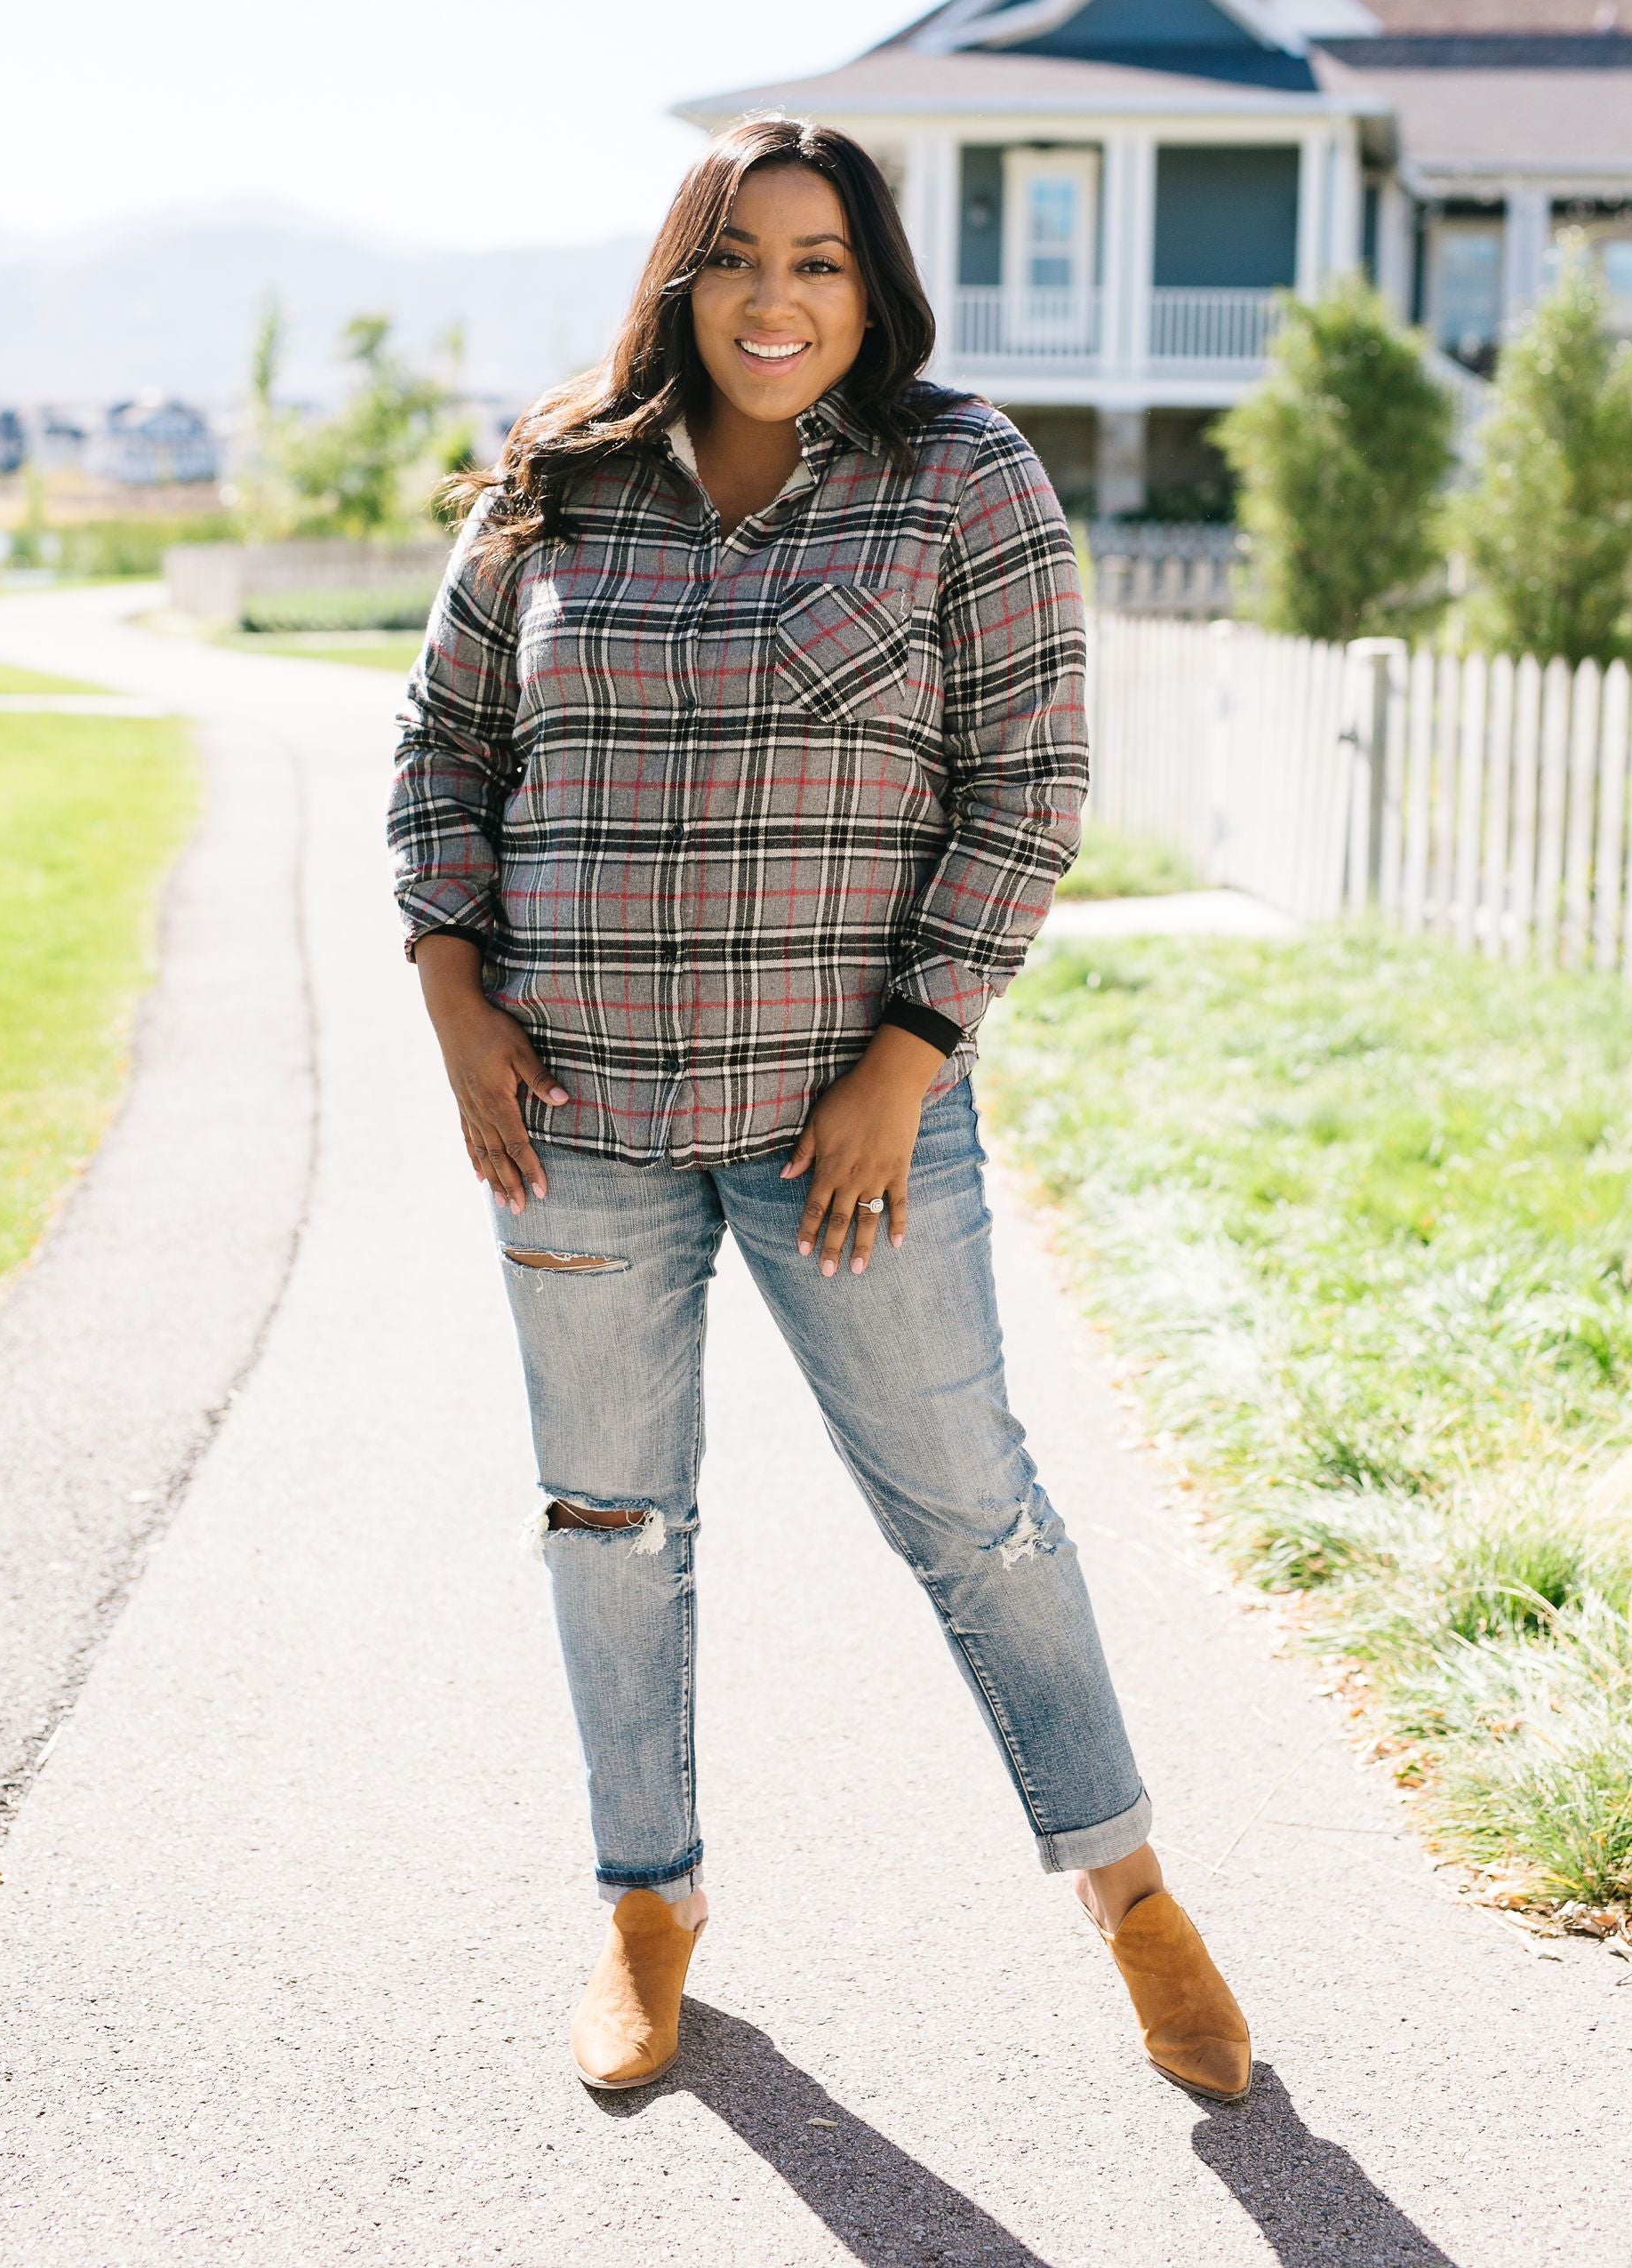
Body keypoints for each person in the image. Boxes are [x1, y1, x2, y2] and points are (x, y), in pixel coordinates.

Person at [388, 115, 1250, 2103]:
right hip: (574, 1113)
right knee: (611, 1523)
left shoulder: (963, 478)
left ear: (873, 290)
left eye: (818, 262)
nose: (773, 300)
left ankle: (1127, 1892)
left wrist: (906, 1061)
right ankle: (646, 1902)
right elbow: (443, 741)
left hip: (842, 1133)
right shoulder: (558, 486)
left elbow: (1025, 788)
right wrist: (452, 993)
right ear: (679, 278)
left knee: (976, 1517)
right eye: (735, 257)